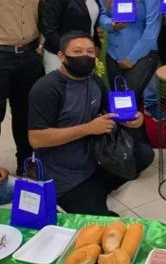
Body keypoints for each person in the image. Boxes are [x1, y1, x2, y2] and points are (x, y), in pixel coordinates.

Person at [28, 31, 154, 215]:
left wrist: (133, 118)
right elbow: (37, 139)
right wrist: (88, 129)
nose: (85, 56)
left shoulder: (94, 81)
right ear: (61, 56)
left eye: (89, 51)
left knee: (144, 155)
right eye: (77, 52)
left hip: (96, 157)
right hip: (64, 172)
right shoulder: (47, 88)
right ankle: (89, 196)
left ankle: (97, 190)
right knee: (102, 223)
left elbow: (111, 112)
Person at [0, 0, 45, 175]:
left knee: (25, 113)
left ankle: (25, 162)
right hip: (0, 54)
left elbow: (42, 14)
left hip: (28, 56)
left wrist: (40, 44)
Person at [99, 0, 161, 99]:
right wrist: (110, 24)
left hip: (141, 56)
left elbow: (152, 29)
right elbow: (102, 14)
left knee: (130, 101)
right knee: (119, 104)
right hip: (113, 54)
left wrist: (132, 58)